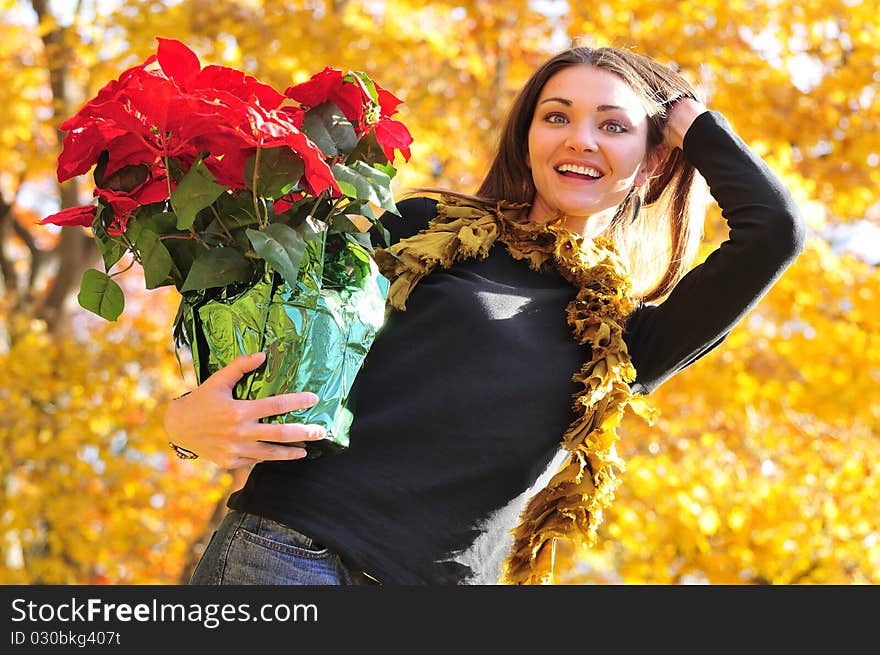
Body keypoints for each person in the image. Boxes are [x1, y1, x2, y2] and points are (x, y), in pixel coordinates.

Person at [163, 44, 805, 585]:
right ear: (527, 139)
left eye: (613, 125)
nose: (580, 139)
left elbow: (773, 232)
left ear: (654, 159)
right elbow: (274, 351)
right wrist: (185, 425)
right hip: (287, 558)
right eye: (557, 116)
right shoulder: (424, 228)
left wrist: (690, 121)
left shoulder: (625, 339)